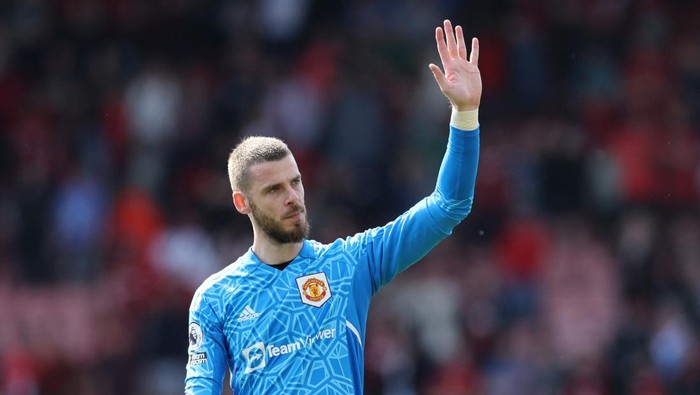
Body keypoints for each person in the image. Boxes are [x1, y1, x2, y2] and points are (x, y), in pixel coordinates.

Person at [185, 19, 482, 394]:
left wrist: (466, 114)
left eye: (296, 182)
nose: (292, 197)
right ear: (241, 203)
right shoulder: (217, 297)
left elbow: (450, 205)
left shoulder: (349, 263)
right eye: (274, 190)